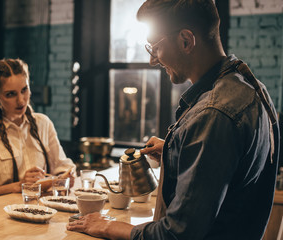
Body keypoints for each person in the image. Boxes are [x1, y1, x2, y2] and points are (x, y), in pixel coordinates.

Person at [67, 0, 280, 239]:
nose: (152, 60)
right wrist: (174, 149)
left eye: (155, 48)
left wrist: (108, 226)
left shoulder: (213, 114)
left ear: (186, 40)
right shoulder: (252, 87)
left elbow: (177, 235)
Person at [0, 58, 76, 203]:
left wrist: (65, 177)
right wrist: (18, 186)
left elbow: (63, 167)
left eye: (24, 90)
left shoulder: (43, 123)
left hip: (42, 211)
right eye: (11, 94)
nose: (21, 101)